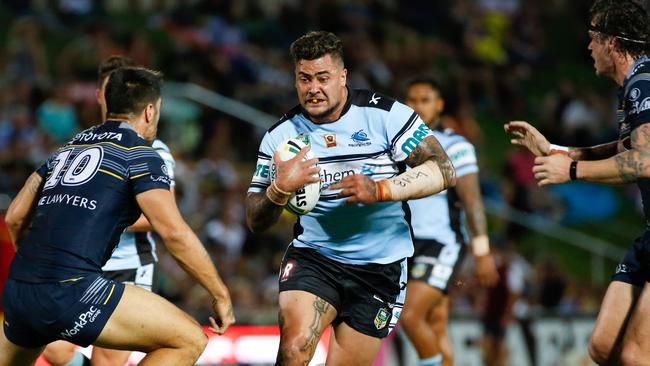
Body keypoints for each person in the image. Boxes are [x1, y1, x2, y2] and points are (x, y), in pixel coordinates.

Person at [246, 31, 456, 366]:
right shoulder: (280, 138)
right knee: (294, 348)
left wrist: (380, 190)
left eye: (323, 78)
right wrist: (279, 189)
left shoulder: (387, 115)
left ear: (343, 76)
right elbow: (255, 219)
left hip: (381, 266)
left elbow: (444, 169)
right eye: (304, 79)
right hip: (316, 257)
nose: (313, 88)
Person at [0, 67, 234, 366]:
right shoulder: (141, 154)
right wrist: (220, 294)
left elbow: (15, 217)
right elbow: (174, 233)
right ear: (150, 111)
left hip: (20, 287)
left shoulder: (66, 149)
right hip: (70, 288)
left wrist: (37, 270)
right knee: (189, 339)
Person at [504, 1, 650, 364]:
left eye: (593, 38)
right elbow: (626, 147)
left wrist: (569, 173)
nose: (588, 47)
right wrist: (558, 152)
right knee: (603, 345)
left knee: (635, 354)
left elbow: (645, 161)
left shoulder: (644, 83)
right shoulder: (634, 85)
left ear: (612, 42)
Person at [42, 55, 179, 366]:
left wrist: (95, 216)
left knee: (107, 362)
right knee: (52, 347)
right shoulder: (84, 145)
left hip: (128, 268)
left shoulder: (153, 150)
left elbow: (159, 217)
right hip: (82, 267)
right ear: (100, 94)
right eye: (109, 88)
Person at [398, 78, 499, 366]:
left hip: (440, 242)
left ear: (439, 104)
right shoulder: (396, 144)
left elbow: (472, 200)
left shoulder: (456, 145)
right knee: (436, 321)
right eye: (411, 100)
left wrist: (482, 251)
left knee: (411, 316)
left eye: (425, 99)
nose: (417, 106)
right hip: (403, 242)